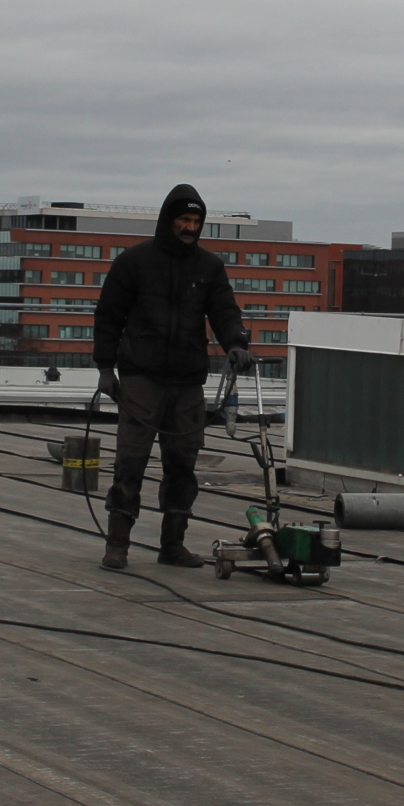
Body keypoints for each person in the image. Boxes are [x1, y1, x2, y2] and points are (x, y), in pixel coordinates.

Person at [91, 183, 252, 569]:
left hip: (187, 383)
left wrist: (235, 343)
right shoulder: (133, 262)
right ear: (169, 220)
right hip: (140, 380)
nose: (190, 227)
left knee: (183, 465)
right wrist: (104, 368)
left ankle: (172, 545)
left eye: (196, 221)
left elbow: (224, 311)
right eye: (184, 219)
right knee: (131, 463)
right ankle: (118, 544)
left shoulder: (209, 267)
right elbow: (108, 316)